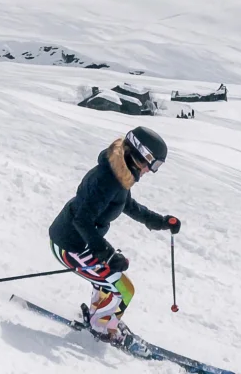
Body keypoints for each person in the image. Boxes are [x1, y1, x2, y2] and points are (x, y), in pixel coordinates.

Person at [47, 126, 181, 341]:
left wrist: (161, 222)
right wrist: (108, 254)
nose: (151, 170)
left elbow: (128, 205)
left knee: (110, 283)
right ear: (140, 153)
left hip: (78, 242)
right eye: (153, 164)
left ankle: (100, 319)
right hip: (70, 244)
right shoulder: (107, 179)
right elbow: (81, 220)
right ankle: (101, 329)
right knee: (124, 290)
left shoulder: (119, 174)